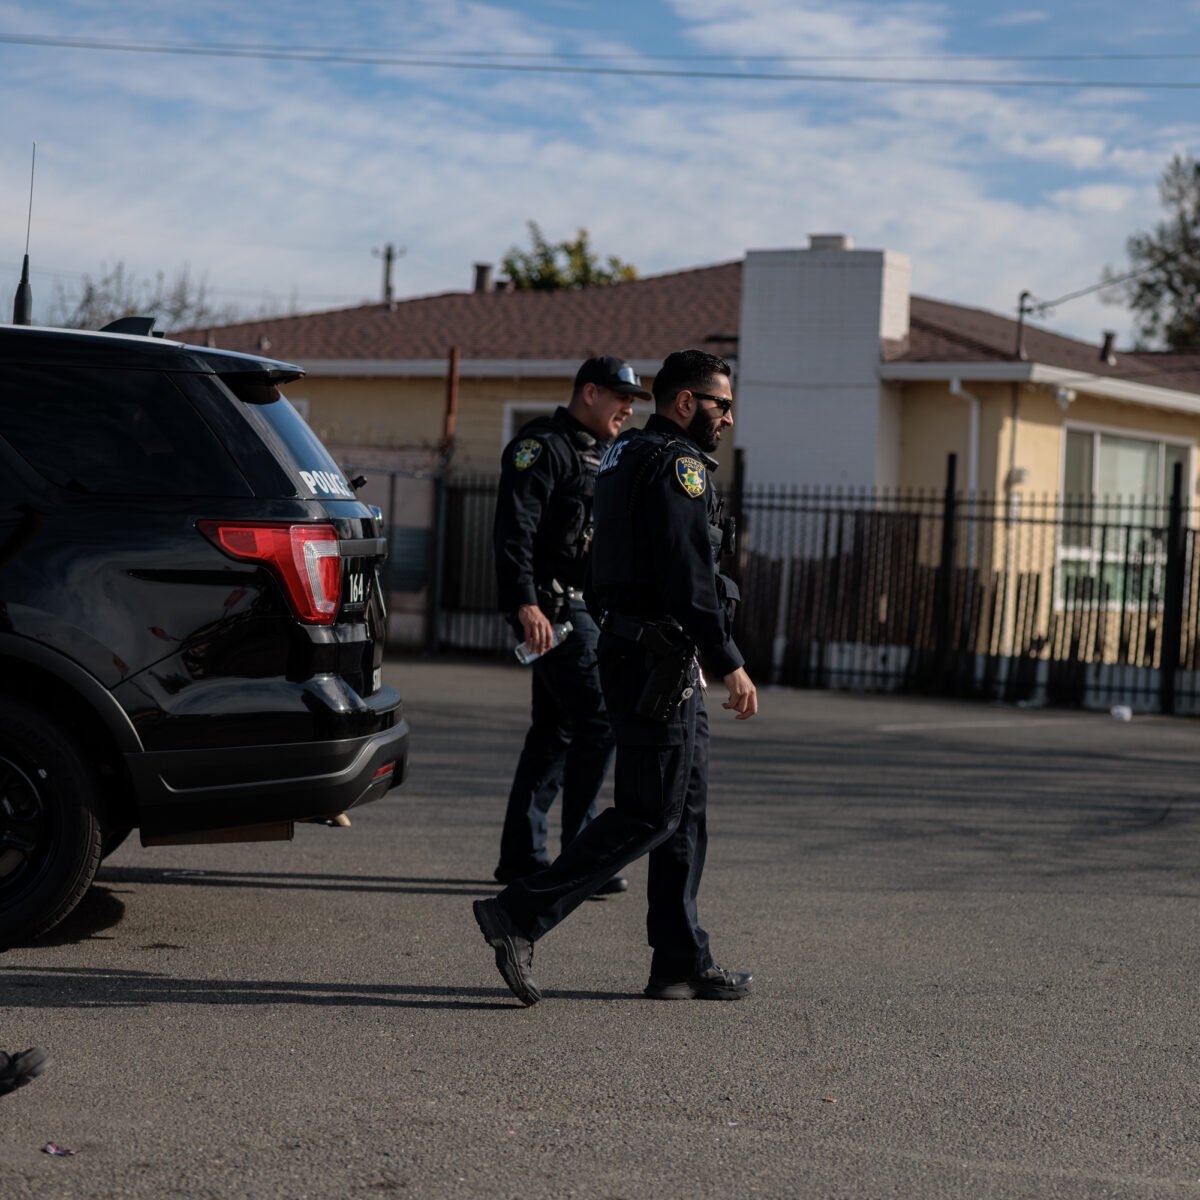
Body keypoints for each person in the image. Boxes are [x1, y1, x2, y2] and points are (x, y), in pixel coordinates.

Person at [474, 349, 758, 1004]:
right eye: (721, 406)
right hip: (659, 656)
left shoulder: (625, 453)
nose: (729, 419)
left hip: (642, 652)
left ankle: (680, 959)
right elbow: (688, 579)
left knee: (683, 809)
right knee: (648, 812)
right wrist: (729, 659)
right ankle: (518, 914)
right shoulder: (676, 466)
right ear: (686, 403)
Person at [491, 356, 653, 894]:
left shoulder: (601, 454)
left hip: (582, 606)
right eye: (619, 397)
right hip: (550, 609)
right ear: (588, 393)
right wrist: (525, 604)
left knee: (555, 730)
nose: (628, 409)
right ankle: (582, 856)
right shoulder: (542, 448)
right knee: (599, 720)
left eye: (632, 401)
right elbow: (513, 531)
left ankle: (522, 859)